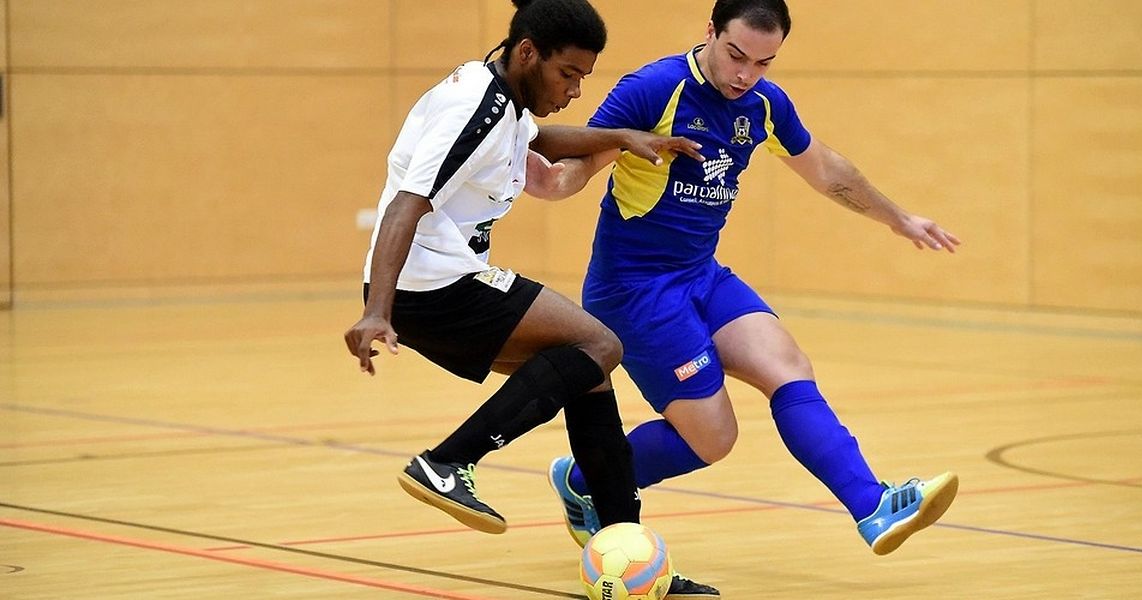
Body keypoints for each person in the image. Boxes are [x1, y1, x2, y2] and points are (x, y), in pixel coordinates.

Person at [542, 0, 961, 558]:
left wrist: (898, 218)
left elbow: (825, 168)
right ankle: (585, 479)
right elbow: (582, 160)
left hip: (701, 274)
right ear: (710, 31)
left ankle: (873, 505)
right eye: (736, 55)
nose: (745, 75)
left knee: (788, 368)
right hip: (635, 290)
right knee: (714, 438)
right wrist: (547, 180)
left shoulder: (764, 104)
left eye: (763, 63)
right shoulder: (655, 88)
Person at [342, 0, 718, 597]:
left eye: (583, 77)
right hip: (430, 284)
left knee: (588, 372)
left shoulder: (505, 100)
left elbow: (540, 137)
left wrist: (621, 136)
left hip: (438, 282)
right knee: (599, 343)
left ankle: (629, 548)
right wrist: (375, 312)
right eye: (567, 74)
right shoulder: (472, 107)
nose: (574, 90)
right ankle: (448, 460)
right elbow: (406, 204)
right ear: (527, 53)